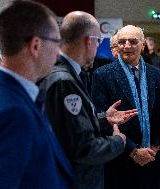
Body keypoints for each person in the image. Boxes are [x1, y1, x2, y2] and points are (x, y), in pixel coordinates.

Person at [39, 11, 137, 189]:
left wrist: (102, 117)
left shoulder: (65, 72)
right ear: (88, 40)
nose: (99, 46)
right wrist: (118, 141)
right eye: (98, 41)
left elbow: (68, 125)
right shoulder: (63, 81)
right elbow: (84, 147)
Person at [0, 1, 74, 188]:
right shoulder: (14, 114)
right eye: (56, 42)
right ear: (35, 45)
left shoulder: (4, 93)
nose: (58, 53)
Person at [91, 25, 160, 189]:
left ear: (143, 45)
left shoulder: (158, 75)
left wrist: (154, 148)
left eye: (133, 41)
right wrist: (133, 151)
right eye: (122, 42)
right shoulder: (102, 75)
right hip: (120, 159)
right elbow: (101, 119)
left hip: (153, 158)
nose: (127, 45)